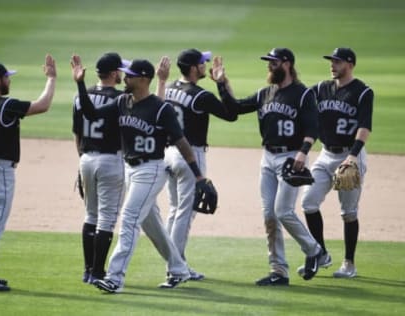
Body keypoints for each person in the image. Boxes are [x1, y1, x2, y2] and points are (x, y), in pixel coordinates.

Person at [71, 54, 208, 293]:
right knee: (150, 222)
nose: (126, 77)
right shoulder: (123, 101)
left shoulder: (160, 108)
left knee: (130, 218)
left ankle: (114, 277)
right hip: (129, 169)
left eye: (131, 75)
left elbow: (182, 142)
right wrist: (80, 84)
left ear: (144, 79)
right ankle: (179, 268)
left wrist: (199, 176)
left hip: (151, 170)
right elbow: (91, 114)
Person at [211, 48, 323, 286]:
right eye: (268, 63)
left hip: (291, 157)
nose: (269, 66)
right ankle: (278, 271)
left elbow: (313, 128)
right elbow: (236, 108)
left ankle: (314, 250)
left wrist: (303, 153)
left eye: (273, 62)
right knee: (269, 215)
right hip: (268, 158)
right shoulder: (265, 93)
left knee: (283, 211)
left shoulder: (303, 95)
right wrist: (221, 83)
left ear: (287, 64)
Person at [0, 55, 56, 291]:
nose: (9, 81)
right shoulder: (6, 105)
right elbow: (42, 105)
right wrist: (52, 78)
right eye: (6, 77)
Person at [155, 49, 237, 281]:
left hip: (168, 155)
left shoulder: (169, 88)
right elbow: (231, 113)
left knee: (174, 209)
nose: (206, 65)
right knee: (185, 213)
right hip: (190, 155)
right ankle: (176, 266)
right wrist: (222, 83)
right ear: (193, 68)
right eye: (203, 63)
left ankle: (175, 263)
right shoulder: (201, 96)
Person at [298, 48, 374, 278]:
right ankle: (321, 254)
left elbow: (364, 127)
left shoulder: (363, 92)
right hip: (325, 154)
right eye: (331, 61)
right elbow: (299, 97)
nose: (332, 65)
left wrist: (353, 155)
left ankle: (349, 263)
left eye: (337, 62)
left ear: (350, 64)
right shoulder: (321, 88)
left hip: (350, 156)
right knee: (308, 203)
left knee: (348, 213)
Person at [72, 53, 128, 284]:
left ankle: (88, 270)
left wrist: (81, 161)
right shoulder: (121, 98)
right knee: (106, 218)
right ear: (114, 73)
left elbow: (77, 133)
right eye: (121, 70)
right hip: (110, 161)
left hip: (86, 158)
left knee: (91, 215)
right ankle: (97, 272)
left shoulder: (80, 97)